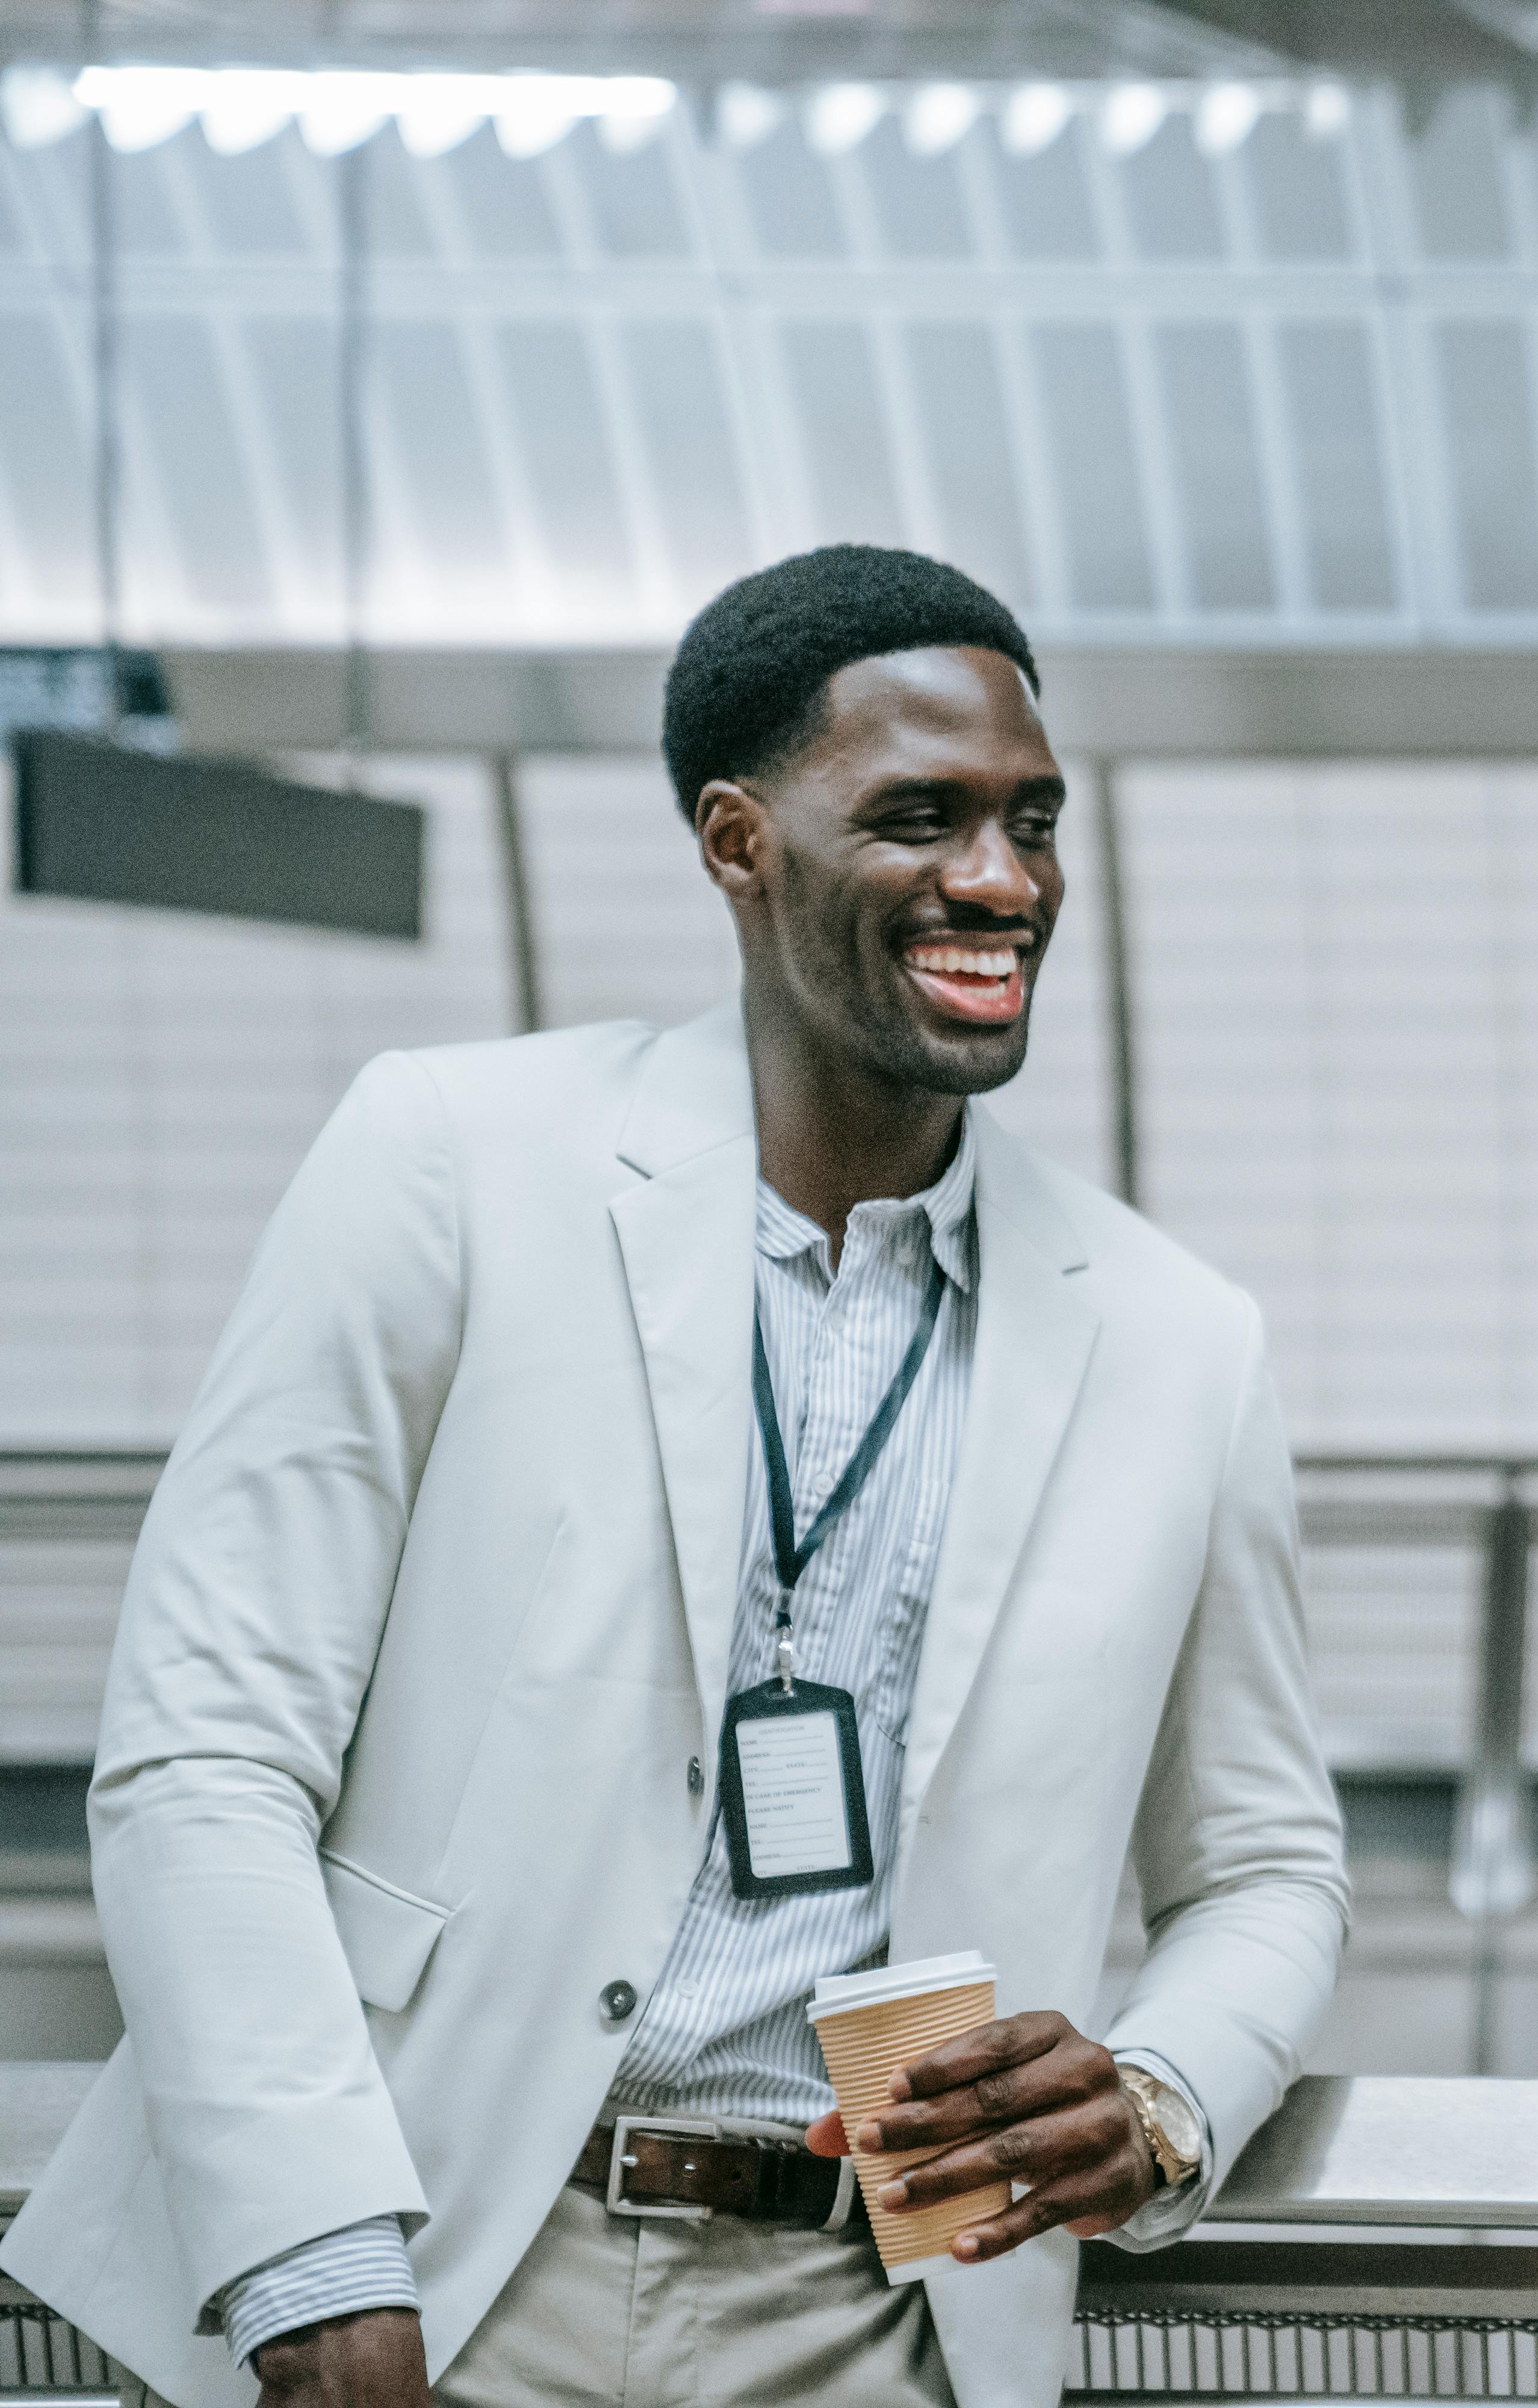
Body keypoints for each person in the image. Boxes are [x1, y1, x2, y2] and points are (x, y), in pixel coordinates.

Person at [1, 546, 1348, 2408]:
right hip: (444, 2258)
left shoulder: (1184, 1343)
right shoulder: (450, 1165)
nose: (1004, 882)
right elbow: (205, 1749)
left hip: (887, 2316)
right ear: (740, 843)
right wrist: (315, 2265)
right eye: (922, 818)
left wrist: (1164, 2093)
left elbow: (1269, 1867)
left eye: (1035, 823)